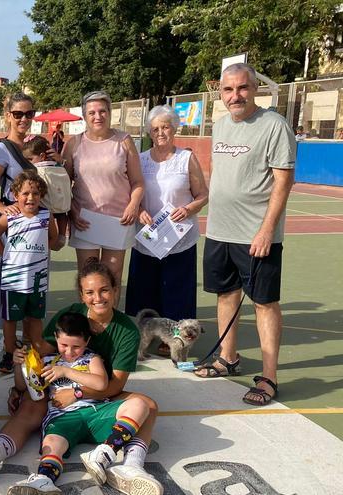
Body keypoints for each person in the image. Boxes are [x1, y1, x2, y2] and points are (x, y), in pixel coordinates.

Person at [0, 258, 161, 495]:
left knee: (148, 406)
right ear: (81, 295)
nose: (97, 298)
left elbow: (112, 385)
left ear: (115, 289)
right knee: (33, 402)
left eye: (104, 290)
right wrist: (21, 385)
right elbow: (44, 355)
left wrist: (76, 392)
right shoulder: (70, 316)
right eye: (90, 292)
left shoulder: (125, 331)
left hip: (101, 392)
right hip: (63, 395)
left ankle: (131, 466)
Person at [195, 63, 296, 408]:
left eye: (242, 88)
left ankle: (268, 377)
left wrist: (267, 230)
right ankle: (228, 358)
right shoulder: (221, 125)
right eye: (228, 90)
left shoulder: (274, 126)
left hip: (256, 234)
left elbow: (283, 181)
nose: (235, 95)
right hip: (219, 230)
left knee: (264, 303)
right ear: (220, 93)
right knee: (226, 295)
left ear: (255, 89)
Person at [7, 311, 153, 494]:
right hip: (62, 417)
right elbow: (23, 386)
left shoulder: (92, 359)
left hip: (95, 411)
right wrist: (18, 364)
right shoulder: (45, 361)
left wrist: (66, 372)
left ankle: (104, 453)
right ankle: (44, 480)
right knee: (52, 442)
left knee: (139, 404)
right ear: (55, 338)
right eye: (63, 345)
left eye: (76, 346)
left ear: (87, 342)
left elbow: (101, 383)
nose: (69, 352)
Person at [125, 105, 208, 323]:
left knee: (178, 289)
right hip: (148, 236)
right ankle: (145, 332)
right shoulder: (139, 159)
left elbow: (202, 195)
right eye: (155, 129)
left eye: (166, 127)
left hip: (179, 237)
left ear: (174, 129)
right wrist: (139, 210)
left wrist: (188, 209)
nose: (160, 133)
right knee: (144, 288)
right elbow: (131, 192)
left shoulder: (186, 158)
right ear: (149, 132)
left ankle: (175, 333)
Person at [63, 90, 144, 285]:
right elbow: (62, 186)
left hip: (119, 220)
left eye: (102, 111)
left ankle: (112, 316)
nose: (98, 116)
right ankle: (89, 317)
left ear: (109, 113)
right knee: (88, 278)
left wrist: (133, 205)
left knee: (113, 278)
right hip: (85, 220)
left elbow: (138, 182)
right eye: (92, 112)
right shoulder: (74, 144)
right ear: (84, 116)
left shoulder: (124, 140)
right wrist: (73, 212)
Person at [0, 171, 58, 373]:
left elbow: (53, 238)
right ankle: (9, 353)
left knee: (35, 317)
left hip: (38, 279)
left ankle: (36, 348)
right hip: (13, 279)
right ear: (15, 194)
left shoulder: (46, 216)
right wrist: (7, 255)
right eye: (25, 193)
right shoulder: (9, 216)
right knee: (10, 319)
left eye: (36, 193)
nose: (31, 198)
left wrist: (41, 253)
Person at [22, 135, 71, 250]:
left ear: (42, 156)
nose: (28, 162)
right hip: (62, 204)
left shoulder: (36, 170)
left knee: (46, 215)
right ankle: (62, 236)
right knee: (62, 214)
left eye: (30, 159)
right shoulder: (60, 167)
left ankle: (50, 237)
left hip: (44, 207)